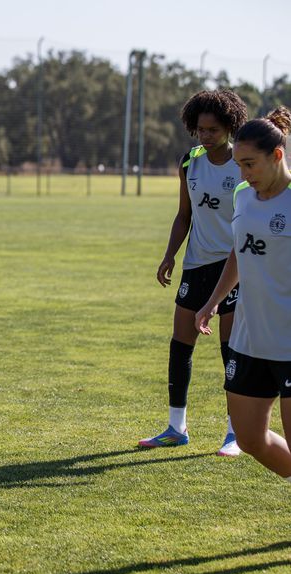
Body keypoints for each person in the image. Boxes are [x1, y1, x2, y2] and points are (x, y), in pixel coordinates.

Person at [139, 89, 248, 456]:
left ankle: (235, 433)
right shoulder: (190, 163)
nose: (205, 135)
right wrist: (170, 255)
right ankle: (176, 426)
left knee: (230, 350)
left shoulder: (244, 165)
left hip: (234, 267)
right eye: (200, 129)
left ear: (230, 127)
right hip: (196, 265)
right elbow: (184, 215)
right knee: (180, 343)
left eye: (213, 129)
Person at [196, 107, 291, 482]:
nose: (243, 174)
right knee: (250, 437)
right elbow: (240, 250)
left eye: (250, 165)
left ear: (277, 156)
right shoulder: (242, 194)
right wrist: (213, 300)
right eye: (238, 165)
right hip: (250, 339)